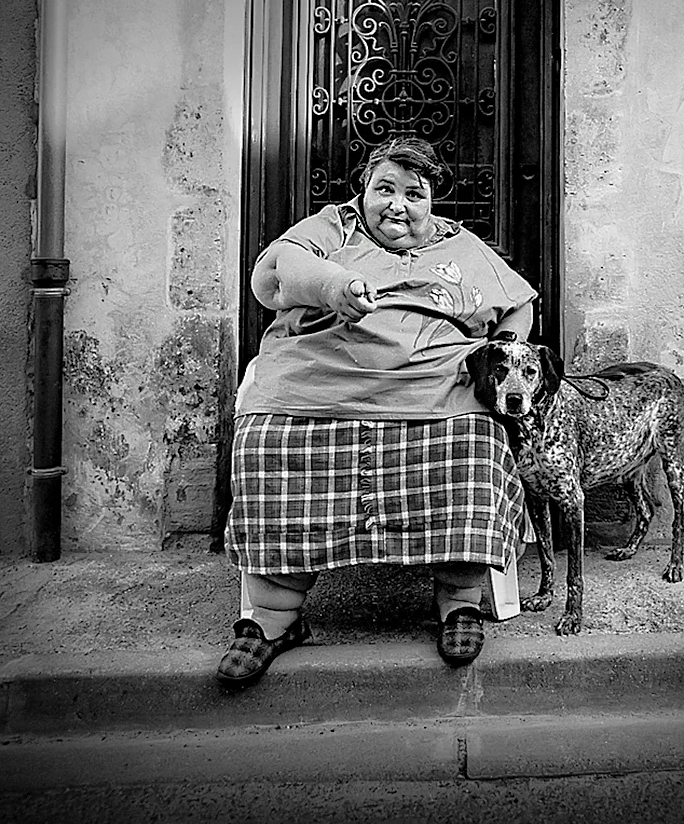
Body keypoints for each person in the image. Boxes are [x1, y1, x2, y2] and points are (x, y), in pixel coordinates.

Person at [217, 136, 539, 687]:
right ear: (361, 191)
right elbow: (277, 273)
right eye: (383, 188)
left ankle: (459, 599)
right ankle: (273, 619)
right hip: (317, 379)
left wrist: (500, 356)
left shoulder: (461, 246)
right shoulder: (333, 227)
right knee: (266, 443)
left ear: (432, 201)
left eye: (414, 193)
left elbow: (519, 304)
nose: (396, 204)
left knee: (477, 444)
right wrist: (334, 285)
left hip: (435, 383)